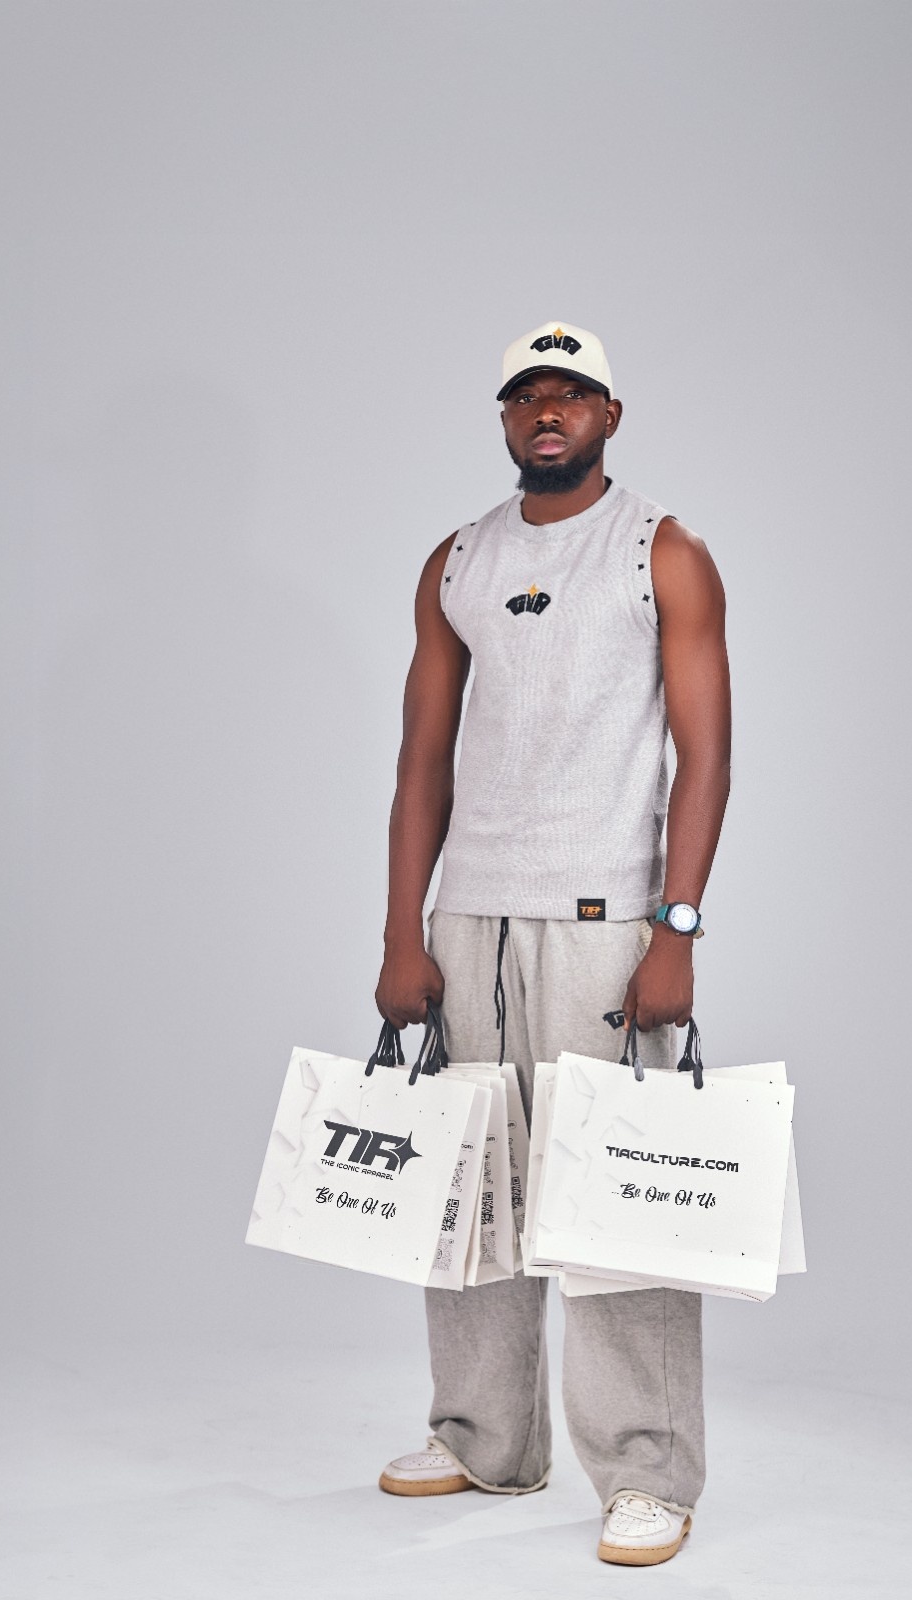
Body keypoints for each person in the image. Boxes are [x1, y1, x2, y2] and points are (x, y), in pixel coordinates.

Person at [373, 320, 731, 1566]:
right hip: (469, 917)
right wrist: (403, 930)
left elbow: (704, 756)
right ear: (503, 416)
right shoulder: (459, 559)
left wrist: (674, 926)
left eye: (569, 393)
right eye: (524, 393)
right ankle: (484, 1435)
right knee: (467, 1185)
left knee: (616, 1198)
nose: (545, 410)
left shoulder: (659, 549)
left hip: (603, 921)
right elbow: (420, 759)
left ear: (608, 415)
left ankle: (647, 1472)